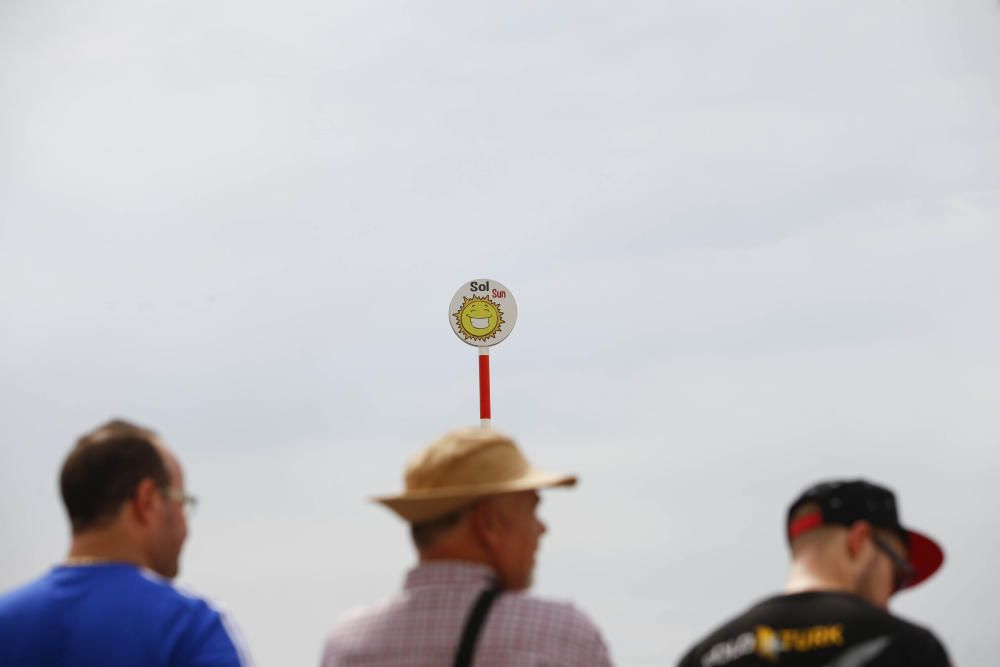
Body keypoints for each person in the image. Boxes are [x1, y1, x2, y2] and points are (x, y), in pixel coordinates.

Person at [321, 426, 614, 667]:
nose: (541, 528)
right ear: (488, 523)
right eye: (532, 510)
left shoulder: (347, 644)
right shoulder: (563, 635)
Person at [0, 419, 251, 667]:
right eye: (181, 502)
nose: (185, 525)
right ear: (147, 501)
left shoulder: (7, 620)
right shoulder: (188, 627)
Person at [677, 479, 950, 667]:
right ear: (861, 542)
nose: (892, 594)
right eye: (899, 573)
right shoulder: (907, 647)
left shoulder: (703, 656)